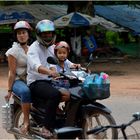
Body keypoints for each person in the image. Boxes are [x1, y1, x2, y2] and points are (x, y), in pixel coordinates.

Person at [27, 19, 62, 138]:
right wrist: (50, 72)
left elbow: (54, 64)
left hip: (49, 80)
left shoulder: (52, 48)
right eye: (45, 33)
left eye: (50, 33)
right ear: (39, 34)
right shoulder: (33, 48)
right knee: (55, 95)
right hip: (36, 82)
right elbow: (37, 67)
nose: (48, 36)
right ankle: (46, 127)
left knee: (70, 91)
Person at [5, 21, 32, 134]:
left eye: (23, 32)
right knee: (25, 92)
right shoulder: (13, 51)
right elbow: (11, 72)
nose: (21, 35)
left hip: (30, 79)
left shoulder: (32, 49)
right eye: (19, 33)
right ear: (16, 36)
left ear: (28, 34)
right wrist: (9, 90)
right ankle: (26, 121)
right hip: (17, 81)